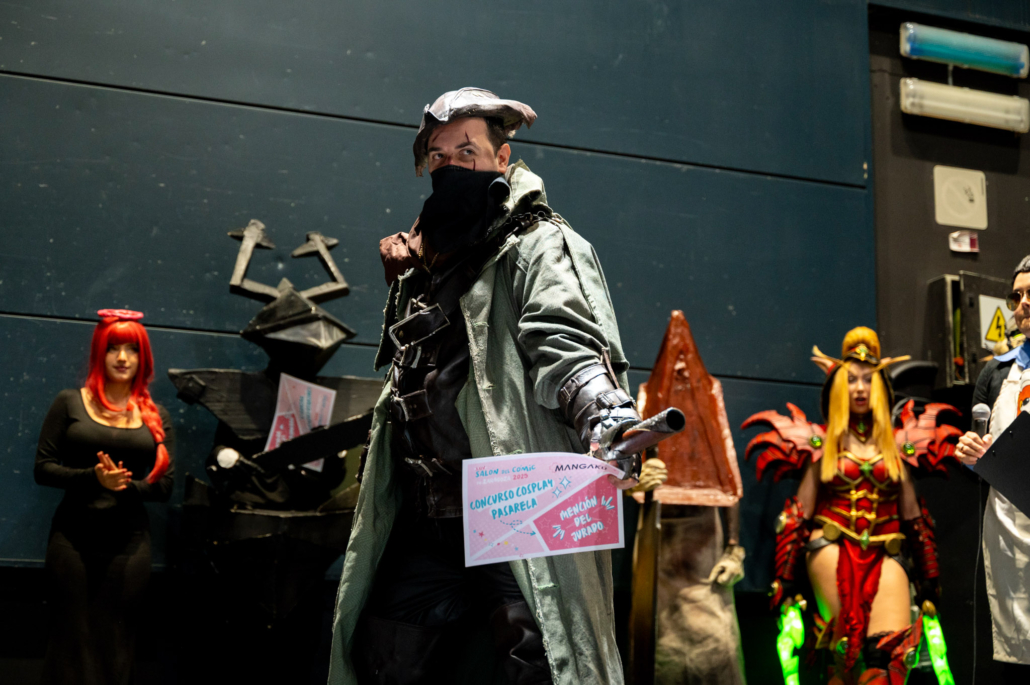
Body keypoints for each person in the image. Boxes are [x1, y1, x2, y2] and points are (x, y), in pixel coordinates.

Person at [329, 88, 640, 685]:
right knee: (384, 656)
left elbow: (565, 338)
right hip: (429, 509)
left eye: (466, 152)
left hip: (514, 505)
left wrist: (604, 414)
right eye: (439, 156)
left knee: (541, 660)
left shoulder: (539, 244)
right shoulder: (433, 255)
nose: (450, 166)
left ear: (502, 159)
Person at [743, 327, 959, 684]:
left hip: (887, 550)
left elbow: (914, 517)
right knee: (844, 655)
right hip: (831, 546)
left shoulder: (900, 444)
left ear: (881, 387)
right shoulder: (820, 442)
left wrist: (929, 581)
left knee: (888, 656)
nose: (860, 388)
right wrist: (784, 582)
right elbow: (798, 514)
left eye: (868, 380)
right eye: (852, 380)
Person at [34, 309, 174, 685]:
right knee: (70, 640)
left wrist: (122, 485)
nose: (123, 358)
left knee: (117, 643)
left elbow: (164, 488)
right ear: (100, 352)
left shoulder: (156, 415)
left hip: (129, 546)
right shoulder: (69, 402)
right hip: (72, 541)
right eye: (113, 348)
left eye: (132, 349)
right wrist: (93, 478)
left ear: (143, 357)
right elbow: (43, 469)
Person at [956, 254, 1030, 675]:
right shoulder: (995, 374)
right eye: (1016, 297)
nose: (1022, 304)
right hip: (1009, 532)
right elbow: (980, 457)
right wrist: (971, 457)